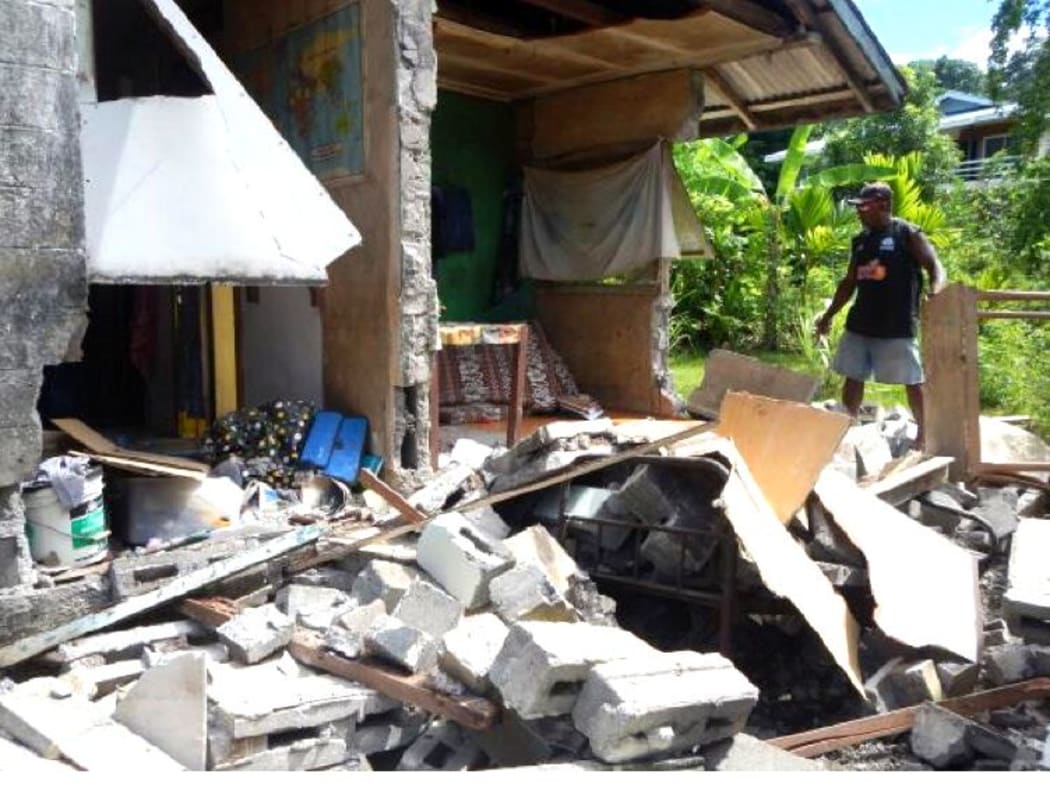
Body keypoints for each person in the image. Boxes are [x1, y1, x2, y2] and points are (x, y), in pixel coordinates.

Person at [815, 182, 946, 449]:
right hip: (860, 323)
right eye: (857, 206)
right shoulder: (861, 240)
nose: (859, 211)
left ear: (883, 205)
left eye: (864, 206)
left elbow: (935, 266)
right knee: (853, 376)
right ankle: (847, 428)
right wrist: (828, 315)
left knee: (912, 380)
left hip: (896, 325)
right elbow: (849, 281)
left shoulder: (906, 233)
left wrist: (936, 292)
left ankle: (924, 436)